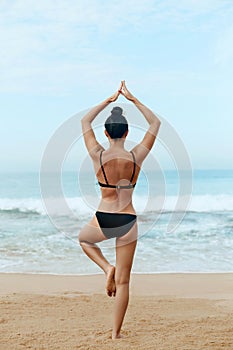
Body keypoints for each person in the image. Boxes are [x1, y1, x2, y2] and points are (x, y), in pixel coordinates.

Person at [78, 81, 161, 339]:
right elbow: (155, 124)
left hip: (104, 216)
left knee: (84, 240)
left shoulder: (98, 155)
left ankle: (105, 268)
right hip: (127, 219)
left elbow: (84, 122)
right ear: (126, 133)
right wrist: (133, 99)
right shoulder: (136, 156)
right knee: (124, 282)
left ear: (106, 133)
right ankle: (115, 334)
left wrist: (109, 100)